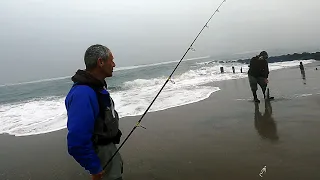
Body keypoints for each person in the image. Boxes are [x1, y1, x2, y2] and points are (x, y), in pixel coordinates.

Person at [65, 44, 123, 180]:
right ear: (100, 62)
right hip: (101, 159)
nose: (114, 64)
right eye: (111, 60)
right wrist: (94, 167)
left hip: (108, 151)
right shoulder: (83, 94)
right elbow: (76, 141)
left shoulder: (96, 88)